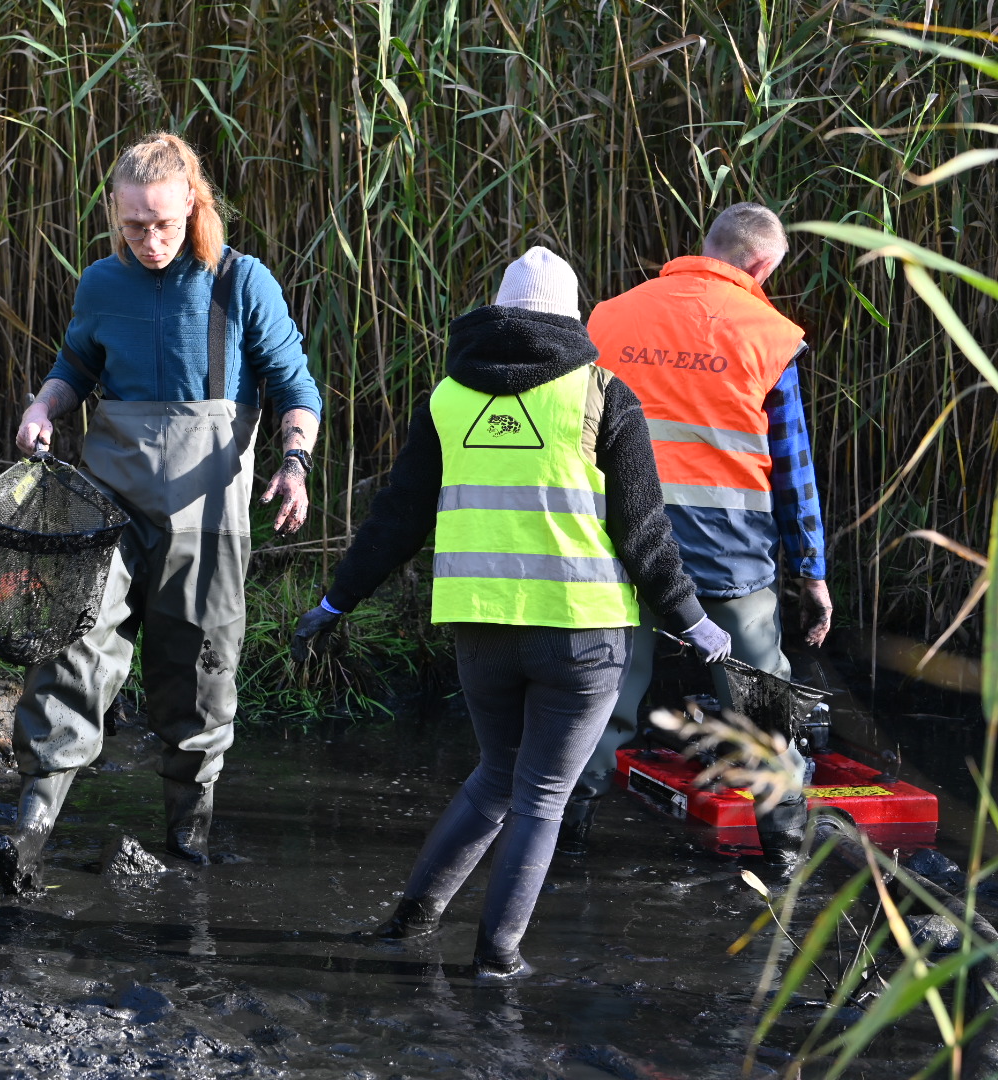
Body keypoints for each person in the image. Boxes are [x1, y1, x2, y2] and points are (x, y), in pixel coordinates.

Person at [290, 247, 723, 978]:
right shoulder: (602, 394)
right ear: (571, 316)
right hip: (580, 636)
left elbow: (397, 519)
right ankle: (498, 959)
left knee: (497, 776)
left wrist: (336, 600)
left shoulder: (449, 398)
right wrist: (692, 618)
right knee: (543, 796)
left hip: (481, 626)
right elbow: (644, 533)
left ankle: (409, 922)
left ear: (497, 312)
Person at [0, 132, 323, 896]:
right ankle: (28, 835)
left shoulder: (240, 283)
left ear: (193, 206)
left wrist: (293, 465)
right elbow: (76, 365)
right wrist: (44, 404)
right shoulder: (103, 283)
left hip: (209, 512)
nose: (151, 240)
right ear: (115, 215)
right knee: (71, 645)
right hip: (111, 505)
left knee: (197, 670)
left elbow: (297, 388)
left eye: (164, 223)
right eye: (134, 225)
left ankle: (187, 843)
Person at [559, 203, 833, 865]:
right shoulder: (770, 335)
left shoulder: (611, 316)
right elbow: (792, 470)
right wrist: (813, 572)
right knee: (761, 700)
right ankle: (786, 851)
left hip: (617, 537)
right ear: (762, 265)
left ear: (707, 246)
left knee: (607, 695)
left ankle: (562, 844)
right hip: (728, 550)